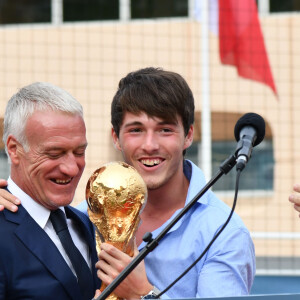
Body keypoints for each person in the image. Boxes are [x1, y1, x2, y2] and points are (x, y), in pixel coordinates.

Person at [0, 68, 255, 299]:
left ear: (188, 135)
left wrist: (143, 294)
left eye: (165, 130)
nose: (150, 145)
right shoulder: (84, 216)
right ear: (116, 138)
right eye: (136, 130)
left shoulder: (224, 233)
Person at [0, 82, 100, 300]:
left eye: (79, 151)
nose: (72, 168)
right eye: (55, 153)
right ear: (14, 149)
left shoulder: (86, 225)